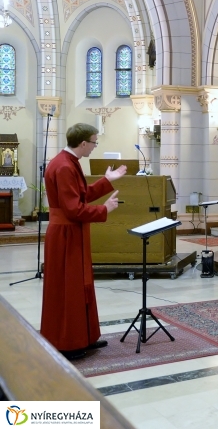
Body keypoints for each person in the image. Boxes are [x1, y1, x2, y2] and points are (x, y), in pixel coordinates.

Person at [40, 123, 126, 360]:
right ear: (83, 143)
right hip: (65, 235)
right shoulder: (64, 166)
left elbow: (80, 195)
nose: (95, 147)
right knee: (69, 289)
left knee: (79, 285)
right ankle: (68, 342)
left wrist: (106, 180)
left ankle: (84, 336)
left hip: (72, 233)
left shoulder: (68, 161)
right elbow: (73, 210)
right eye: (95, 142)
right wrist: (104, 209)